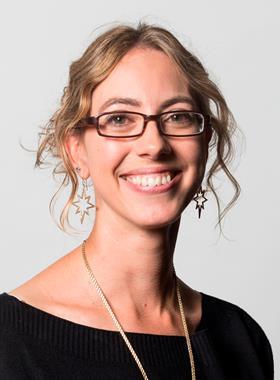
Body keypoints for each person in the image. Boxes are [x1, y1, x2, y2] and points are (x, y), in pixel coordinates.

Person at [0, 22, 274, 379]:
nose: (154, 144)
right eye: (119, 119)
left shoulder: (240, 339)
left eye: (176, 116)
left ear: (205, 141)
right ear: (76, 150)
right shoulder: (9, 341)